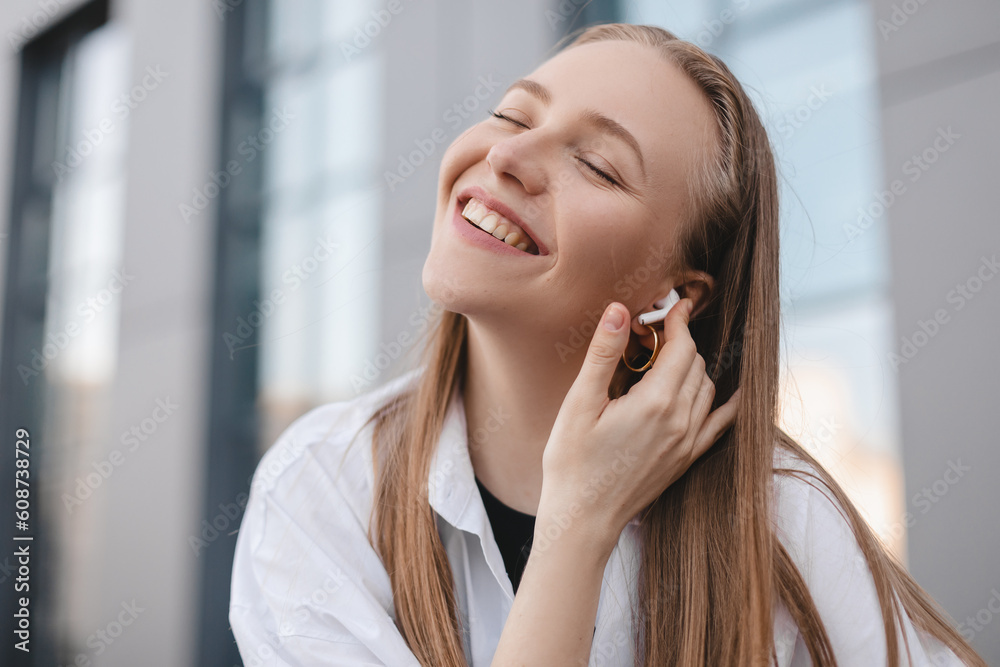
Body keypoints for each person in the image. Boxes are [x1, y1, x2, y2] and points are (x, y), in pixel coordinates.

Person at [228, 22, 987, 667]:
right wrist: (577, 526)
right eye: (513, 116)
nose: (505, 157)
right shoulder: (321, 486)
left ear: (674, 298)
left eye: (596, 164)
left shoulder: (778, 517)